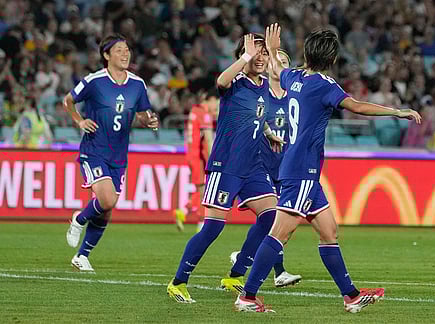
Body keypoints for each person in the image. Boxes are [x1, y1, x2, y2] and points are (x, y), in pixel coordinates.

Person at [234, 24, 422, 313]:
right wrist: (396, 111)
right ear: (332, 58)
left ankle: (351, 296)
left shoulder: (293, 77)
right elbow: (356, 106)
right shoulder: (325, 85)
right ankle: (247, 296)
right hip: (303, 170)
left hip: (300, 170)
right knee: (279, 234)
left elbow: (277, 71)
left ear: (308, 52)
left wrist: (273, 50)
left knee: (329, 231)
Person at [167, 32, 284, 303]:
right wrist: (246, 55)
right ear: (244, 54)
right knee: (213, 227)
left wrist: (268, 132)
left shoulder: (265, 86)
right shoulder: (235, 82)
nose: (260, 57)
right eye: (256, 51)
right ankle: (178, 282)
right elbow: (220, 80)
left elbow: (258, 114)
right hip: (226, 165)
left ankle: (235, 274)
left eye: (264, 53)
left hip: (252, 167)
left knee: (270, 215)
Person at [64, 34, 158, 272]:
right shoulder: (94, 81)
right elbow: (68, 100)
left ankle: (82, 256)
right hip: (94, 150)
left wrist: (149, 121)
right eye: (119, 50)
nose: (125, 54)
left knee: (106, 210)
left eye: (127, 49)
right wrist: (79, 121)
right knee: (107, 199)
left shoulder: (137, 84)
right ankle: (79, 219)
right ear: (106, 55)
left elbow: (141, 114)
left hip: (119, 156)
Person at [229, 48, 302, 288]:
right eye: (276, 61)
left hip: (286, 168)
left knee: (279, 223)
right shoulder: (260, 95)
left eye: (284, 62)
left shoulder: (295, 98)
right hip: (260, 165)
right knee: (274, 220)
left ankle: (242, 260)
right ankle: (277, 271)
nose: (279, 65)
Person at [175, 87, 218, 232]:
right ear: (211, 100)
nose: (216, 108)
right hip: (199, 157)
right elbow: (208, 138)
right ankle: (201, 223)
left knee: (201, 188)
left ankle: (184, 210)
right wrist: (214, 159)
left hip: (191, 154)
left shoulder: (195, 110)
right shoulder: (205, 115)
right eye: (216, 104)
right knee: (203, 191)